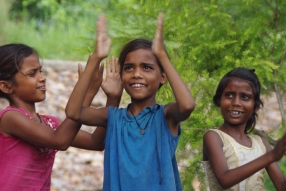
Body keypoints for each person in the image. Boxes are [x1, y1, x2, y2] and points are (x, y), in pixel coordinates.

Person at [65, 13, 195, 191]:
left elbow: (187, 105)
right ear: (121, 75)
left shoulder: (166, 116)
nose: (136, 74)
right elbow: (73, 112)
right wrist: (96, 58)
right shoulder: (113, 117)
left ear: (163, 77)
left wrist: (162, 56)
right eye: (129, 68)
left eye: (147, 67)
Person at [0, 42, 122, 190]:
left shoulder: (50, 124)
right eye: (32, 73)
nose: (42, 78)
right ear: (6, 86)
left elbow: (95, 142)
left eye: (41, 71)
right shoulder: (9, 118)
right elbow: (59, 141)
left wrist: (113, 98)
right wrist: (92, 66)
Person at [202, 67, 286, 191]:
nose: (236, 102)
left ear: (255, 106)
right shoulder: (214, 137)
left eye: (245, 97)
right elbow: (225, 180)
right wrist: (272, 155)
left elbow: (281, 186)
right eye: (229, 95)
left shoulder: (262, 144)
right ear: (219, 100)